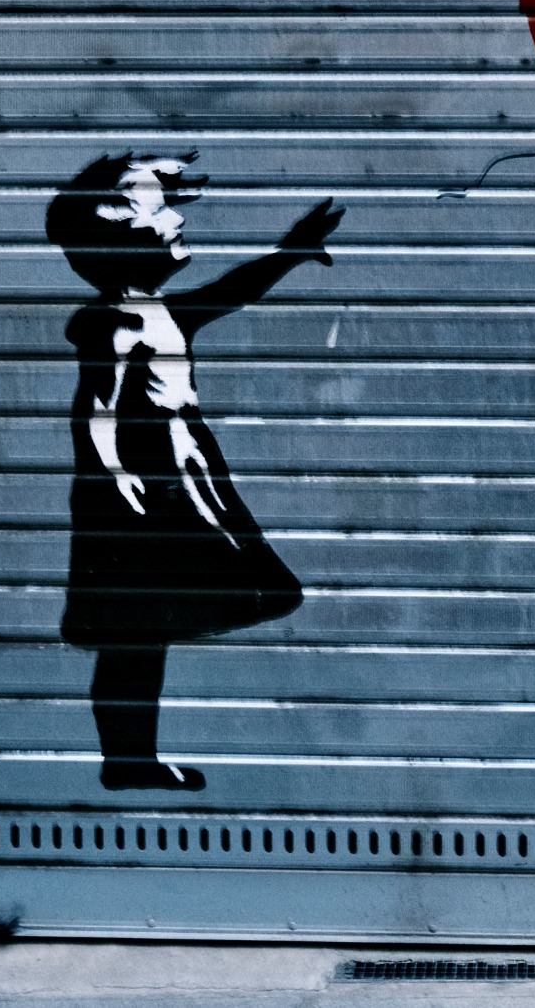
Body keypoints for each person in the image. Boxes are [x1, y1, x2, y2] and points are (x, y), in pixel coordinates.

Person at [45, 153, 344, 791]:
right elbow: (95, 407)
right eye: (158, 212)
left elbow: (230, 292)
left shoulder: (162, 312)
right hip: (143, 485)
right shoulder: (117, 323)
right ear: (121, 245)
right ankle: (127, 760)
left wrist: (290, 253)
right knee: (132, 635)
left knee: (142, 633)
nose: (177, 220)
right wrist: (115, 473)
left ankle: (131, 759)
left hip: (181, 470)